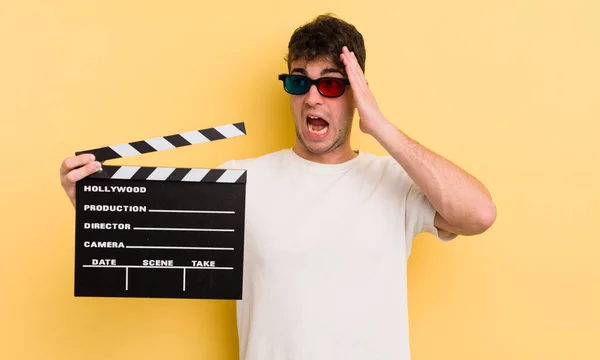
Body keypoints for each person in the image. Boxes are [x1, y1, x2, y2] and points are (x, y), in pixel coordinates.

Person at [59, 14, 496, 360]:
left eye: (330, 83)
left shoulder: (395, 181)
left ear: (357, 91)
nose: (312, 98)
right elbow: (158, 245)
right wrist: (97, 201)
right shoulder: (242, 181)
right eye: (298, 81)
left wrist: (379, 126)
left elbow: (478, 214)